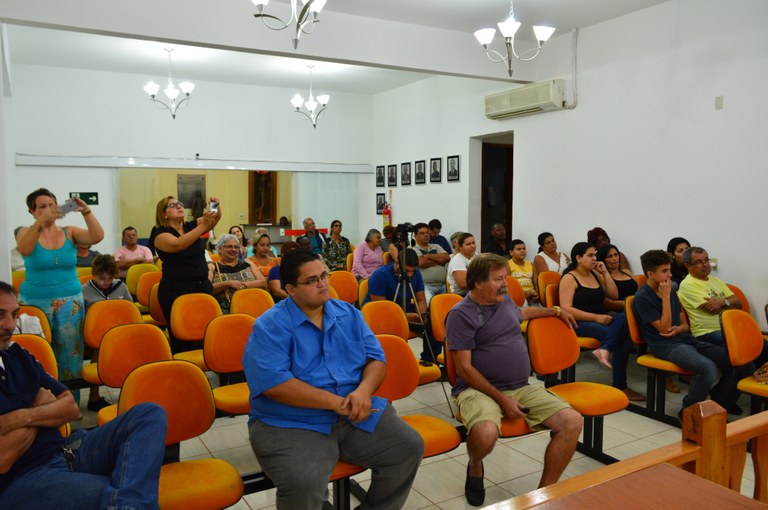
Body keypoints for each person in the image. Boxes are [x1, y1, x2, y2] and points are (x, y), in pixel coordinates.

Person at [243, 250, 424, 510]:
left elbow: (376, 360)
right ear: (291, 289)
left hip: (352, 411)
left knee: (407, 448)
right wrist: (336, 403)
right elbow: (276, 384)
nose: (322, 284)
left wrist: (363, 391)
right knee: (303, 482)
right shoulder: (270, 326)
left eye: (324, 275)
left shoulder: (348, 314)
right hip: (291, 421)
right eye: (312, 280)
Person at [0, 281, 168, 509]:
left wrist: (22, 417)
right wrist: (42, 409)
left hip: (67, 449)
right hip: (24, 478)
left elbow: (70, 407)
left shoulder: (18, 355)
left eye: (14, 315)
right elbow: (4, 458)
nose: (11, 325)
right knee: (114, 494)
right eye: (0, 315)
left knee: (149, 414)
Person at [446, 254, 582, 506]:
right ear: (478, 283)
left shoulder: (503, 299)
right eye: (498, 279)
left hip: (520, 387)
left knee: (572, 421)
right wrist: (502, 400)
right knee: (485, 433)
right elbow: (463, 369)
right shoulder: (461, 314)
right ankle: (475, 465)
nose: (505, 284)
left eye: (505, 277)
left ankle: (544, 492)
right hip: (477, 390)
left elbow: (522, 312)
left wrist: (555, 311)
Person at [633, 250, 746, 417]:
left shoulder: (670, 290)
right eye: (664, 271)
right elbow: (664, 329)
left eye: (669, 270)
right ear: (650, 274)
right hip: (665, 345)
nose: (670, 275)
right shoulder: (642, 297)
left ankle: (720, 403)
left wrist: (679, 329)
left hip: (685, 339)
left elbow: (685, 325)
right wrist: (665, 297)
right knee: (708, 368)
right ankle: (688, 412)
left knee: (739, 363)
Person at [16, 188, 104, 398]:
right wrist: (41, 223)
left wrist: (86, 211)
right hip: (35, 303)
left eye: (52, 205)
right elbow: (25, 249)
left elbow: (97, 236)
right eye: (42, 207)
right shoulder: (24, 232)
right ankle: (41, 402)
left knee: (70, 355)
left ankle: (69, 403)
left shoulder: (70, 232)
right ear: (32, 211)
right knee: (38, 353)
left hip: (70, 303)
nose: (48, 210)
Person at [558, 242, 645, 401]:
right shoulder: (569, 278)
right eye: (590, 255)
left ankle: (604, 349)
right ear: (578, 258)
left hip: (601, 317)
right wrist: (596, 317)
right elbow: (566, 309)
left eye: (595, 255)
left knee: (626, 316)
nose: (594, 258)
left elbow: (613, 294)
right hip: (579, 322)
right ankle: (620, 385)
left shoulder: (594, 274)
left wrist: (604, 273)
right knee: (622, 338)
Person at [677, 246, 768, 391]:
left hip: (729, 330)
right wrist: (727, 303)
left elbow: (738, 303)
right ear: (688, 265)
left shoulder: (715, 281)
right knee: (746, 361)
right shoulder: (688, 285)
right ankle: (721, 398)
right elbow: (713, 310)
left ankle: (755, 389)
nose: (705, 264)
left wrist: (722, 302)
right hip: (707, 334)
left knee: (763, 347)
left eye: (706, 260)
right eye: (699, 262)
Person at [150, 195, 220, 351]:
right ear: (164, 214)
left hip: (202, 287)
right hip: (177, 290)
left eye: (180, 204)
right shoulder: (159, 233)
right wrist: (204, 226)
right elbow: (178, 245)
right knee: (183, 339)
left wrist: (215, 206)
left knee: (207, 333)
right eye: (173, 205)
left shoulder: (190, 226)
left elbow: (213, 220)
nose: (179, 206)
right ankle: (183, 364)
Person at [81, 254, 133, 412]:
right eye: (101, 278)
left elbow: (130, 310)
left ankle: (130, 393)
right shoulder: (84, 291)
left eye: (110, 278)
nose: (106, 282)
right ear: (94, 274)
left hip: (120, 333)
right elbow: (81, 319)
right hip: (96, 337)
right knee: (100, 348)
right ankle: (94, 397)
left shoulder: (121, 287)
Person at [212, 234, 266, 314]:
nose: (233, 249)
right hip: (227, 312)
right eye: (229, 246)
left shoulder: (247, 262)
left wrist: (243, 285)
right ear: (220, 249)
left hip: (252, 306)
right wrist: (227, 284)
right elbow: (207, 289)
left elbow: (263, 283)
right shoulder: (213, 267)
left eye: (236, 247)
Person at [412, 223, 450, 305]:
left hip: (444, 285)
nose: (426, 235)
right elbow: (421, 263)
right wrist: (439, 261)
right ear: (415, 236)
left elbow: (447, 258)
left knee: (448, 305)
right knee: (430, 305)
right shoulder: (412, 249)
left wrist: (427, 256)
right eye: (422, 233)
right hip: (425, 286)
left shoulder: (436, 246)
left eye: (427, 232)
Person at [508, 239, 538, 304]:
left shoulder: (531, 264)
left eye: (524, 248)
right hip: (517, 297)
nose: (522, 251)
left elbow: (535, 283)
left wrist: (537, 294)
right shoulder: (507, 265)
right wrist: (523, 294)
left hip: (532, 296)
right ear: (511, 252)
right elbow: (508, 285)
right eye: (518, 249)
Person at [447, 233, 478, 297]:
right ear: (460, 247)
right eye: (468, 244)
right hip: (461, 295)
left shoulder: (476, 256)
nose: (472, 246)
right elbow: (463, 285)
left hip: (474, 291)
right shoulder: (457, 260)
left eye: (473, 243)